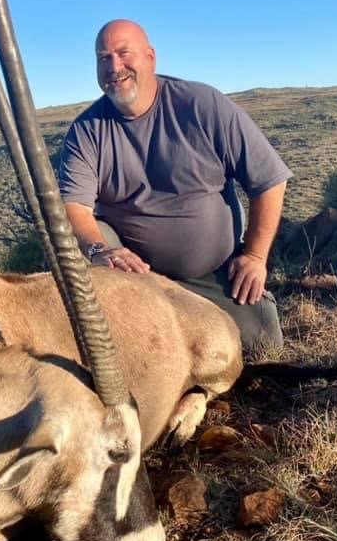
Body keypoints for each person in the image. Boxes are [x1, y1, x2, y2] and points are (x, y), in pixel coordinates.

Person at [58, 19, 292, 354]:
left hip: (210, 273)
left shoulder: (203, 105)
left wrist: (254, 256)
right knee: (87, 253)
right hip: (135, 279)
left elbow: (268, 181)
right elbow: (74, 208)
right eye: (103, 58)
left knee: (262, 343)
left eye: (124, 54)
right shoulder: (86, 131)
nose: (114, 67)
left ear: (150, 57)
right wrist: (100, 250)